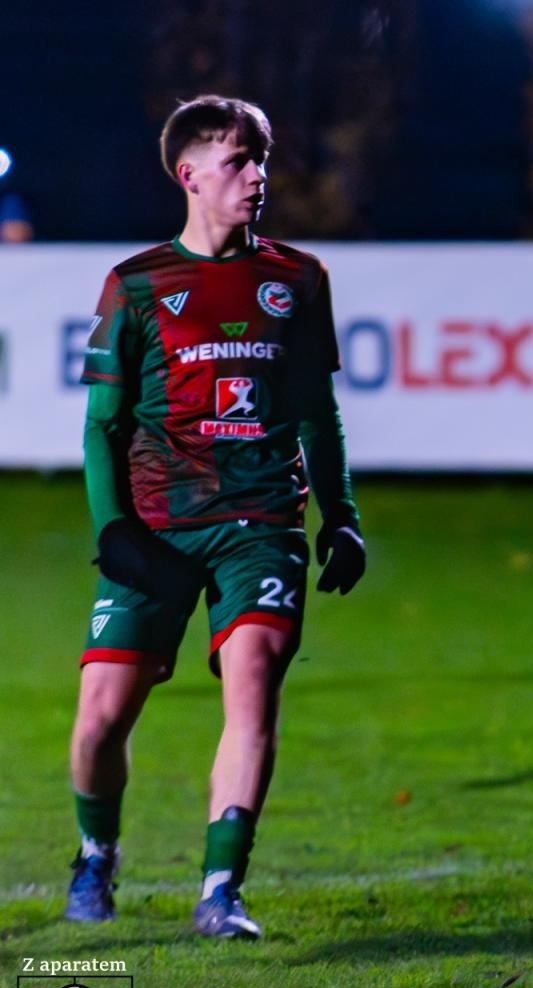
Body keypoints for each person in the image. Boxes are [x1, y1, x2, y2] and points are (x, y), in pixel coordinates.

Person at [65, 96, 365, 939]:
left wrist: (340, 515)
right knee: (100, 716)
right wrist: (113, 531)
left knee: (255, 680)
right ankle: (95, 853)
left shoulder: (299, 279)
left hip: (261, 521)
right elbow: (101, 427)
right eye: (238, 161)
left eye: (261, 159)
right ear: (189, 174)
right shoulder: (136, 283)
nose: (258, 176)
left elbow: (317, 414)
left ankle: (221, 889)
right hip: (157, 525)